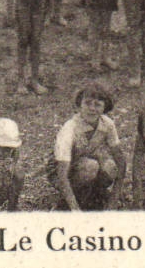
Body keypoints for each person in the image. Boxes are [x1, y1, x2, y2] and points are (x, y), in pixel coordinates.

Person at [53, 82, 125, 211]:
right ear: (79, 104)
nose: (92, 108)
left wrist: (114, 198)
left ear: (105, 107)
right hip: (63, 170)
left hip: (87, 163)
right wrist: (75, 209)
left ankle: (96, 194)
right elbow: (61, 174)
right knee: (90, 166)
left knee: (110, 166)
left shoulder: (107, 124)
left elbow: (121, 162)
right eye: (87, 103)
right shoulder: (70, 128)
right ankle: (70, 200)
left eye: (97, 105)